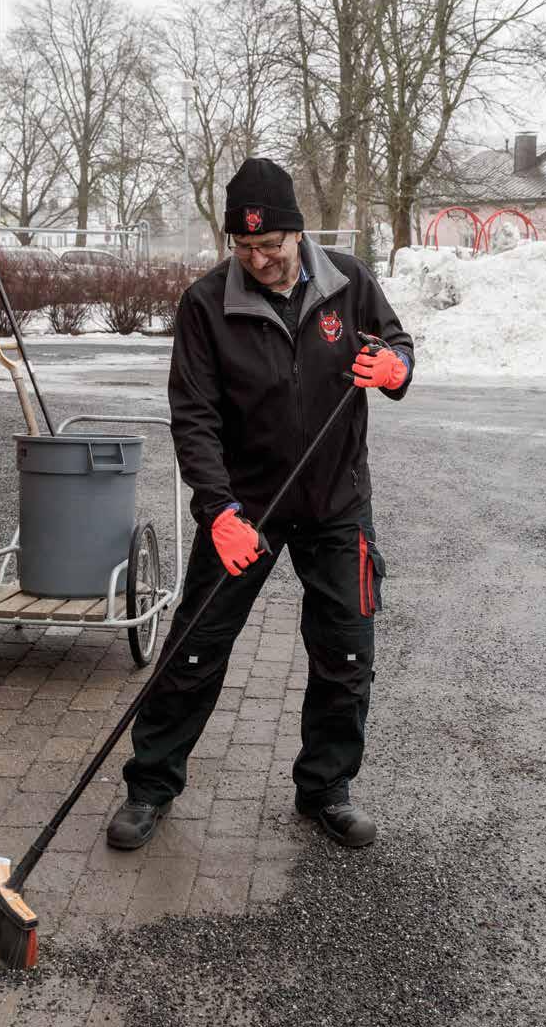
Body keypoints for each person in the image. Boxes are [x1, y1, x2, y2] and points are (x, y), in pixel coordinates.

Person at [107, 157, 414, 851]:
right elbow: (195, 416)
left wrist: (395, 368)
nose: (259, 259)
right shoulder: (206, 305)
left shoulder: (348, 281)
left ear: (297, 234)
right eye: (244, 247)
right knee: (194, 649)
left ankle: (326, 789)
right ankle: (150, 785)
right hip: (243, 510)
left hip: (337, 501)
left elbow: (396, 343)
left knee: (346, 651)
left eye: (270, 245)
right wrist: (217, 510)